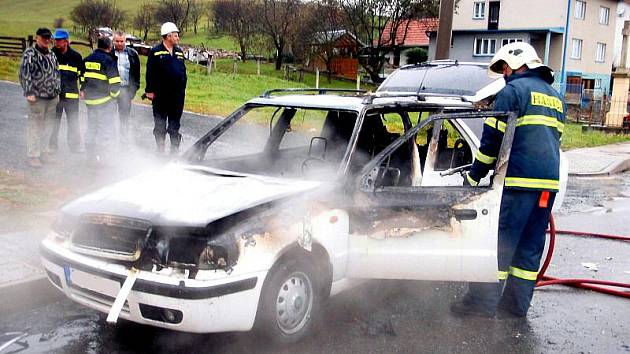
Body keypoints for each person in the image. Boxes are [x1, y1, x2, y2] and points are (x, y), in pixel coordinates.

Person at [451, 42, 565, 318]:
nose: (503, 73)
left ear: (517, 63)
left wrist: (474, 176)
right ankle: (515, 307)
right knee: (529, 246)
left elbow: (492, 142)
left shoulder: (512, 92)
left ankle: (480, 305)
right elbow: (555, 139)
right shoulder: (554, 96)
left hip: (518, 182)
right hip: (547, 185)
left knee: (498, 244)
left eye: (504, 68)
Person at [19, 28, 61, 168]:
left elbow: (56, 73)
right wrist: (29, 92)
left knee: (48, 127)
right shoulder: (30, 54)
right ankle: (33, 155)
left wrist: (57, 91)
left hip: (52, 97)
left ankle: (44, 152)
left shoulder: (52, 54)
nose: (46, 40)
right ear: (37, 38)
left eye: (48, 38)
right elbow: (25, 73)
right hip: (37, 98)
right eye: (44, 38)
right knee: (35, 127)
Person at [145, 22, 187, 154]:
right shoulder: (155, 52)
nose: (178, 38)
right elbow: (150, 72)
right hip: (160, 96)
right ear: (168, 36)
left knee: (175, 125)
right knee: (160, 125)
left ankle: (174, 150)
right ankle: (160, 150)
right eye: (175, 36)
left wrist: (183, 87)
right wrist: (149, 90)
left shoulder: (179, 53)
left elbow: (183, 71)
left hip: (177, 97)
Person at [81, 36, 121, 164]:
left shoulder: (87, 59)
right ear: (109, 47)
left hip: (90, 102)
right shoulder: (109, 61)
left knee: (91, 128)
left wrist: (84, 90)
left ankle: (90, 157)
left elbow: (82, 78)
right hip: (105, 102)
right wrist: (114, 96)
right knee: (105, 129)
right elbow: (115, 83)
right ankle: (104, 158)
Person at [50, 28, 84, 153]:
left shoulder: (76, 57)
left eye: (59, 40)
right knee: (54, 121)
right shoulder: (51, 55)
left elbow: (82, 75)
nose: (56, 42)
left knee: (74, 121)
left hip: (71, 96)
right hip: (55, 96)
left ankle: (74, 146)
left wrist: (83, 88)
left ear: (66, 41)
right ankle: (51, 146)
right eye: (55, 40)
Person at [112, 31, 140, 142]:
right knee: (109, 115)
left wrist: (133, 90)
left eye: (121, 41)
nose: (119, 43)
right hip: (111, 90)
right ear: (113, 41)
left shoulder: (133, 54)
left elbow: (136, 73)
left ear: (125, 41)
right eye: (117, 41)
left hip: (125, 90)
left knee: (124, 117)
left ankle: (124, 140)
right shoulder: (108, 53)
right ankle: (111, 139)